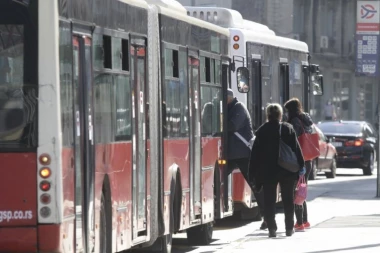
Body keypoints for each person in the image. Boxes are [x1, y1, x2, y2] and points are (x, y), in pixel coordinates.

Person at [249, 103, 305, 238]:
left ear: (268, 115)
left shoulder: (262, 131)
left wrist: (252, 173)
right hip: (287, 170)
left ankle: (272, 229)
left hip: (268, 172)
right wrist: (301, 167)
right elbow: (297, 150)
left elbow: (255, 154)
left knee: (269, 200)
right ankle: (289, 228)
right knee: (288, 199)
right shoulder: (288, 128)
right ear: (281, 115)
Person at [284, 98, 313, 232]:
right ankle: (305, 220)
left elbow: (292, 139)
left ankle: (299, 222)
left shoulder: (294, 121)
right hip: (308, 160)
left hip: (298, 160)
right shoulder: (306, 119)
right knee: (301, 189)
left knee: (297, 191)